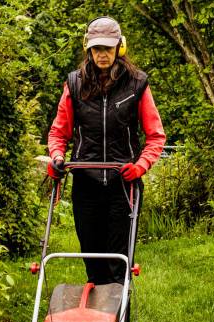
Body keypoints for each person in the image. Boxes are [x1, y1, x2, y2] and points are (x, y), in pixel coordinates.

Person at [47, 16, 166, 285]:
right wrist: (57, 157)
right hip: (85, 184)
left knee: (118, 262)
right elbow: (59, 132)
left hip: (122, 185)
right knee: (93, 261)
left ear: (119, 48)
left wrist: (140, 166)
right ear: (88, 49)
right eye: (97, 49)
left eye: (108, 49)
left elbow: (156, 136)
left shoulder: (137, 84)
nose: (102, 55)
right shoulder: (74, 84)